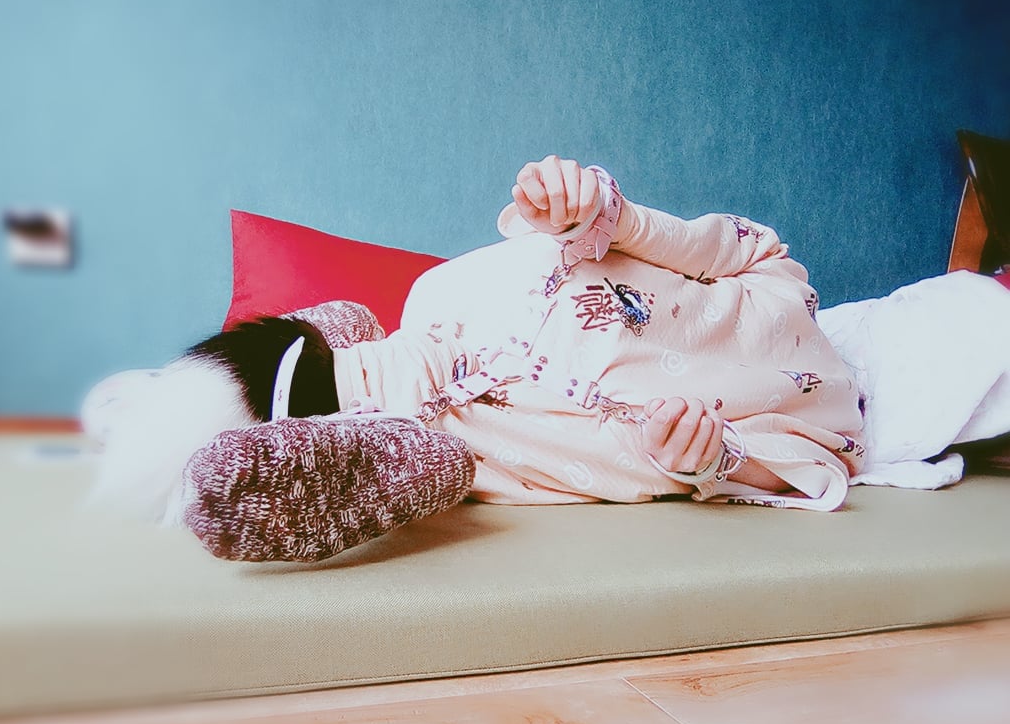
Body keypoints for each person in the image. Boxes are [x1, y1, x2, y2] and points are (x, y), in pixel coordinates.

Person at [86, 156, 865, 561]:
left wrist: (705, 455)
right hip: (510, 310)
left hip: (537, 430)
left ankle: (324, 449)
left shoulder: (836, 439)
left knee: (443, 446)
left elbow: (776, 476)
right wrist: (595, 206)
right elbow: (684, 240)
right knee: (399, 355)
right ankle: (304, 368)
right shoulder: (781, 274)